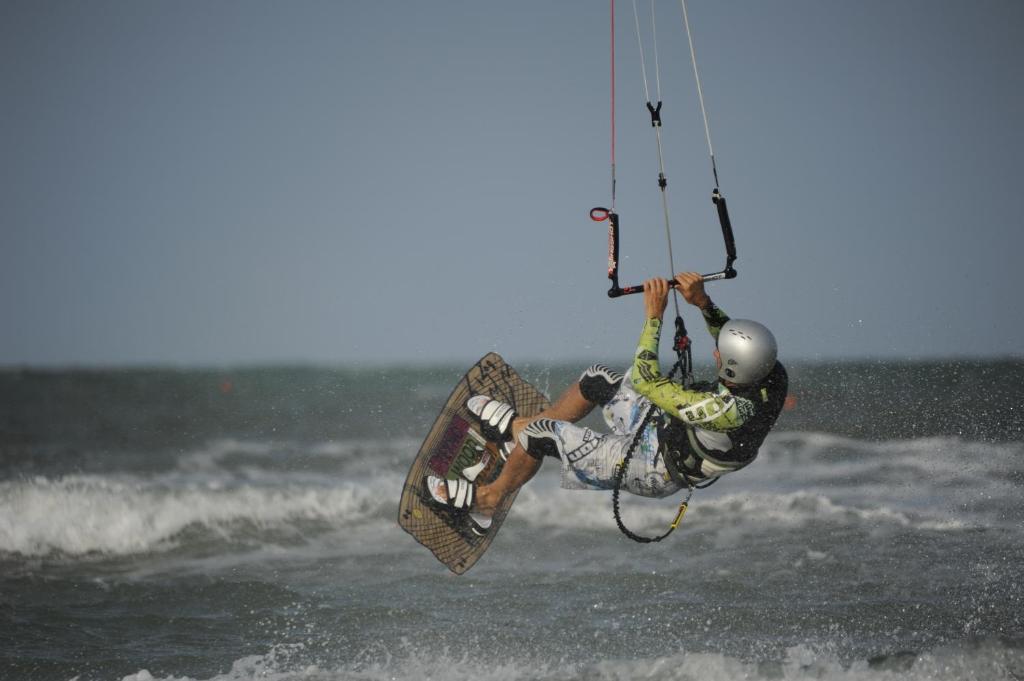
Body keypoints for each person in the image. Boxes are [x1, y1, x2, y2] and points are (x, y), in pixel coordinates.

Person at [426, 272, 788, 533]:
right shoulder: (771, 374)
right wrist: (704, 304)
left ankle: (488, 500)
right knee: (597, 380)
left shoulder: (724, 411)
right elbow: (728, 336)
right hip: (663, 431)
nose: (714, 349)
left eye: (719, 353)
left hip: (654, 467)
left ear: (734, 367)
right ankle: (515, 435)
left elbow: (647, 381)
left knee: (541, 436)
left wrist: (654, 316)